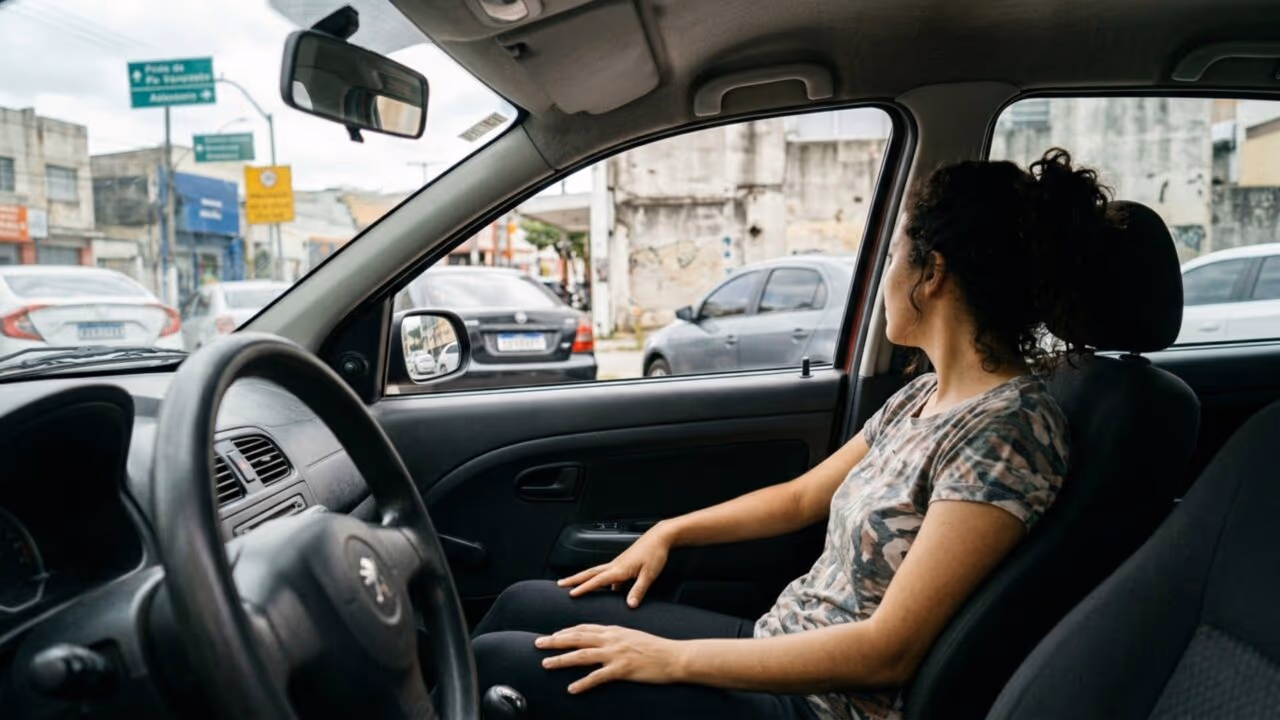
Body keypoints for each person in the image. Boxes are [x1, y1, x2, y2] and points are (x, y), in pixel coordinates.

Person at [471, 148, 1108, 720]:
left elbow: (888, 652)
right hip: (780, 644)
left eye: (891, 257)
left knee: (496, 664)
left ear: (931, 272)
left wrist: (669, 658)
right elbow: (802, 498)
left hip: (823, 704)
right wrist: (670, 531)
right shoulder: (923, 395)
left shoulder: (1006, 434)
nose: (886, 277)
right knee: (522, 604)